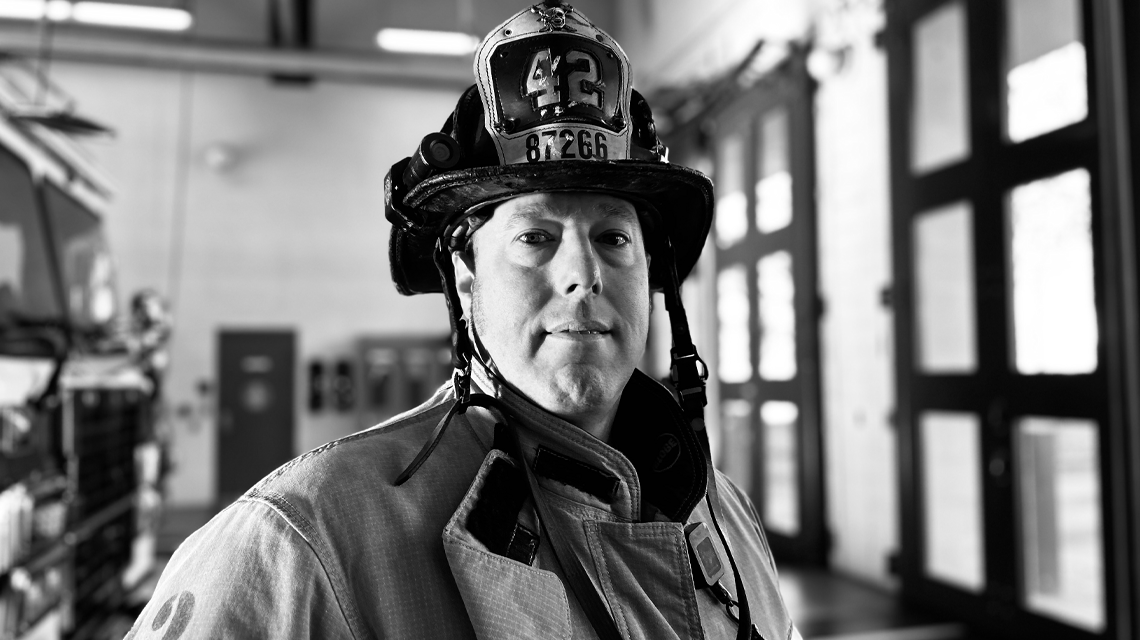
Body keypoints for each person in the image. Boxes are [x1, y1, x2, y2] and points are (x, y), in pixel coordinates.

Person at [127, 2, 801, 638]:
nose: (583, 274)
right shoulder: (301, 545)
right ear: (467, 275)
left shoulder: (724, 515)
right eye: (535, 238)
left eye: (613, 238)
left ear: (650, 272)